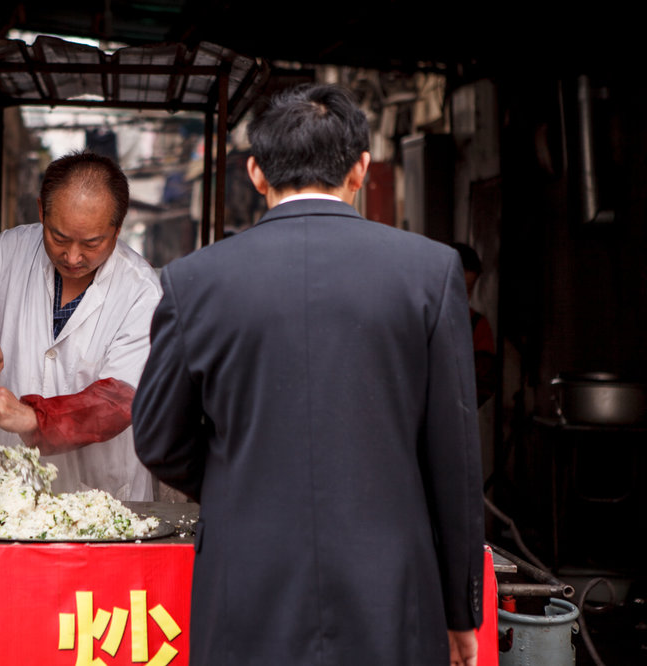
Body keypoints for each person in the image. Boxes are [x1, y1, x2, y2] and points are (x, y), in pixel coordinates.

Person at [131, 84, 485, 665]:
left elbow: (160, 439)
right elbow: (456, 459)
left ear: (255, 172)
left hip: (247, 583)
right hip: (391, 590)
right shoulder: (429, 272)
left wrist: (241, 475)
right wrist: (459, 611)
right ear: (361, 169)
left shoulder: (195, 281)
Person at [0, 151, 162, 500]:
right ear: (41, 212)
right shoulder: (11, 251)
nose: (73, 256)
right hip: (10, 486)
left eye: (92, 243)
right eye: (59, 237)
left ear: (117, 228)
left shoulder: (142, 291)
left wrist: (33, 418)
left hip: (103, 493)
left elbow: (119, 401)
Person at [451, 242, 496, 407]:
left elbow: (485, 383)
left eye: (468, 290)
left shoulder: (477, 326)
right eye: (456, 288)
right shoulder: (422, 318)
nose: (463, 297)